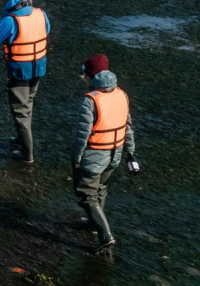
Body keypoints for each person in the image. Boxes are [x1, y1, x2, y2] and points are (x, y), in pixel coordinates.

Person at [72, 54, 134, 253]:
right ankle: (93, 223)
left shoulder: (90, 101)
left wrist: (75, 157)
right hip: (115, 153)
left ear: (91, 76)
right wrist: (130, 152)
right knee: (101, 188)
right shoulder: (122, 94)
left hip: (94, 155)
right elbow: (128, 126)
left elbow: (82, 133)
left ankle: (106, 236)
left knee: (87, 194)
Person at [0, 0, 50, 163]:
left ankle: (27, 154)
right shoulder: (40, 13)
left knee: (21, 112)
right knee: (28, 104)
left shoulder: (10, 20)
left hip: (20, 71)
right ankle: (21, 139)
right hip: (39, 67)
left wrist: (7, 19)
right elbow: (47, 30)